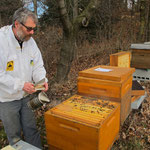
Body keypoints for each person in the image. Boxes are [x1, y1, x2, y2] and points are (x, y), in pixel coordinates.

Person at [0, 7, 48, 149]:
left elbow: (37, 65)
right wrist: (21, 84)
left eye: (34, 29)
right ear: (17, 24)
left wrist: (42, 80)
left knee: (31, 129)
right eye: (29, 29)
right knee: (14, 135)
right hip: (7, 99)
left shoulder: (30, 41)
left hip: (26, 96)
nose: (32, 33)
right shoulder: (1, 41)